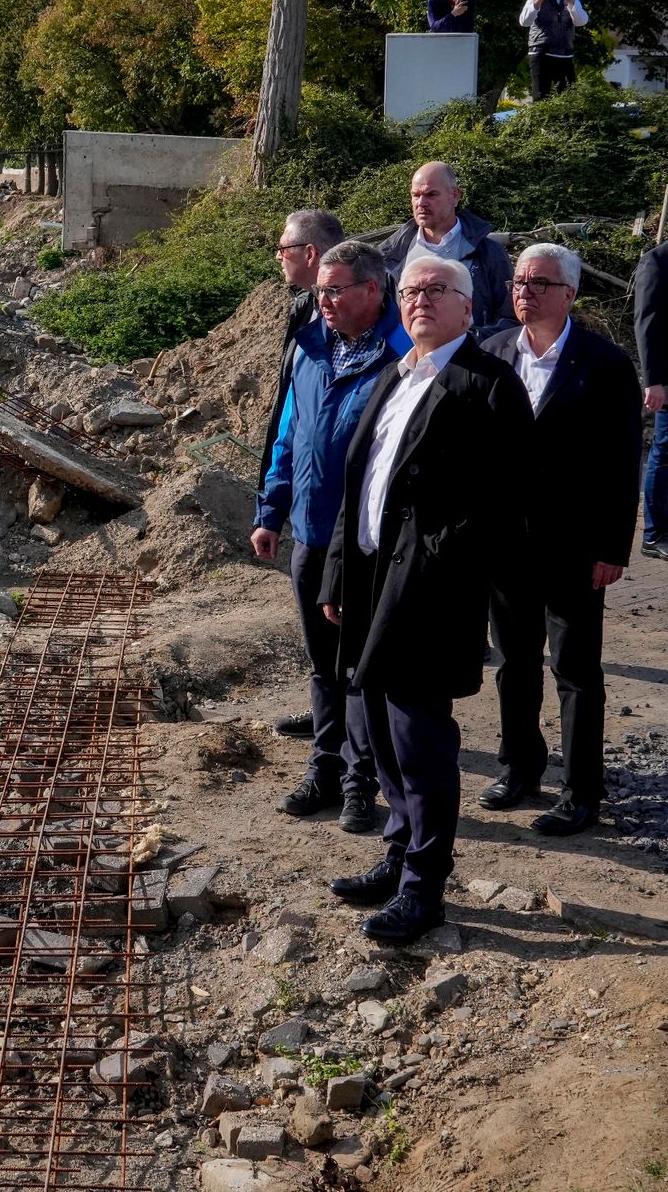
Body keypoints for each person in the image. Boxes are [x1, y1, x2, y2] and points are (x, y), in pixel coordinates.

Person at [319, 255, 533, 943]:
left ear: (468, 307)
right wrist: (337, 575)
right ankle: (398, 852)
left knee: (420, 743)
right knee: (379, 732)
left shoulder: (488, 383)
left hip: (430, 592)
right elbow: (359, 487)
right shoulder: (395, 375)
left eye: (437, 290)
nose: (421, 300)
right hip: (370, 582)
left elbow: (507, 503)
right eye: (411, 290)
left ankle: (424, 888)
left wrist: (437, 560)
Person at [478, 244, 639, 834]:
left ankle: (581, 790)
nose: (525, 290)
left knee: (575, 669)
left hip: (574, 544)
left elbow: (622, 461)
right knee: (513, 663)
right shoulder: (493, 350)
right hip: (506, 543)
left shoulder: (603, 363)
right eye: (519, 281)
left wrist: (612, 548)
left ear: (569, 294)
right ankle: (520, 767)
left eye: (540, 283)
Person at [252, 240, 399, 829]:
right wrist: (270, 511)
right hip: (311, 534)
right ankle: (325, 770)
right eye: (320, 291)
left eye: (335, 291)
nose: (324, 302)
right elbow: (289, 437)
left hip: (366, 541)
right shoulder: (310, 347)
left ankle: (362, 781)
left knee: (361, 668)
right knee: (323, 666)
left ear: (372, 290)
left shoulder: (401, 353)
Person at [261, 211, 347, 741]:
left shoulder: (388, 341)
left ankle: (357, 747)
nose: (279, 258)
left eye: (284, 249)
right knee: (320, 634)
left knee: (350, 633)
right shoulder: (304, 316)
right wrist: (272, 506)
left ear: (310, 253)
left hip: (354, 518)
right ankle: (329, 730)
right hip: (309, 510)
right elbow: (292, 420)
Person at [378, 162, 512, 328]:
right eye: (416, 195)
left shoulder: (489, 252)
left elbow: (510, 319)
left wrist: (474, 341)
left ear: (455, 195)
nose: (421, 203)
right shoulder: (391, 256)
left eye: (431, 194)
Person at [635, 238, 668, 562]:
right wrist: (653, 380)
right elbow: (646, 322)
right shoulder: (657, 261)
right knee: (665, 449)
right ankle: (654, 534)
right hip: (667, 379)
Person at [519, 0, 588, 100]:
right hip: (541, 53)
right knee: (541, 97)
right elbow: (524, 21)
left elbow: (582, 21)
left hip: (564, 54)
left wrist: (570, 3)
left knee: (568, 98)